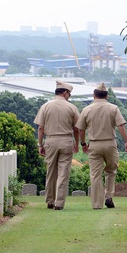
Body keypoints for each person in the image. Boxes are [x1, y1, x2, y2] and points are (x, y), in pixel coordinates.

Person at [75, 83, 127, 209]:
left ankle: (96, 204)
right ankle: (109, 196)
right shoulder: (113, 108)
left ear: (94, 95)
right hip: (110, 143)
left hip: (94, 144)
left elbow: (81, 130)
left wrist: (83, 143)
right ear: (106, 96)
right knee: (111, 171)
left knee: (95, 175)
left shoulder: (87, 109)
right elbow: (121, 126)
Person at [33, 80, 82, 210]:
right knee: (63, 173)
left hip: (50, 140)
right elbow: (77, 128)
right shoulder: (72, 107)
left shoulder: (45, 106)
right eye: (69, 94)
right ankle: (59, 202)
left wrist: (40, 144)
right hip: (66, 141)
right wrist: (77, 144)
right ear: (65, 93)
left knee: (51, 171)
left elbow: (40, 128)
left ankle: (50, 200)